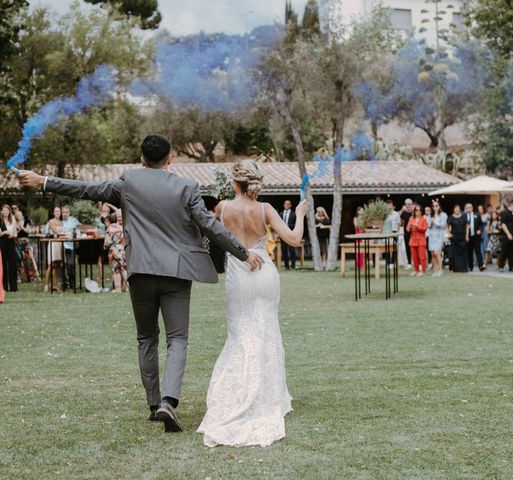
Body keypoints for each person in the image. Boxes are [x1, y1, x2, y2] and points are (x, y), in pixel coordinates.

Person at [17, 134, 263, 434]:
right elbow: (210, 226)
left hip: (140, 273)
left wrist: (42, 180)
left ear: (142, 158)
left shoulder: (127, 183)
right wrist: (243, 253)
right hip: (176, 274)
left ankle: (153, 403)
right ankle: (169, 402)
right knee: (178, 339)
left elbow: (84, 189)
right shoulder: (187, 188)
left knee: (146, 338)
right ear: (170, 159)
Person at [197, 160, 308, 448]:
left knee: (240, 334)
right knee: (267, 330)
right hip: (265, 275)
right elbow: (295, 239)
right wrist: (299, 214)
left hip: (240, 275)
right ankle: (269, 395)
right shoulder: (266, 210)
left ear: (234, 183)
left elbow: (209, 233)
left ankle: (237, 392)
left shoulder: (222, 208)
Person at [103, 213, 128, 292]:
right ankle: (128, 287)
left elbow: (107, 242)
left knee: (116, 270)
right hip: (123, 250)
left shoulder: (110, 228)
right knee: (123, 268)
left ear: (108, 221)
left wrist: (105, 246)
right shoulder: (123, 227)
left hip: (114, 251)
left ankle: (118, 288)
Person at [0, 204, 19, 292]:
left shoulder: (13, 219)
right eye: (4, 210)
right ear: (1, 211)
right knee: (3, 264)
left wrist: (13, 234)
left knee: (13, 264)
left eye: (7, 210)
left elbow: (15, 233)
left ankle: (13, 287)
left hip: (10, 242)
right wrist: (5, 232)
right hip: (2, 242)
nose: (6, 212)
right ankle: (4, 287)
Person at [44, 206, 64, 292]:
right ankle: (46, 284)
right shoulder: (51, 221)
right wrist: (65, 233)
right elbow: (56, 231)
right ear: (53, 213)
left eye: (59, 211)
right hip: (53, 243)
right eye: (56, 211)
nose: (57, 213)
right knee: (51, 264)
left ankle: (55, 285)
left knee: (58, 264)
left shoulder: (62, 222)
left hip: (60, 243)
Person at [61, 205, 80, 290]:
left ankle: (72, 283)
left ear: (69, 213)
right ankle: (64, 283)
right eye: (63, 212)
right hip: (59, 246)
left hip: (70, 246)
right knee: (61, 265)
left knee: (71, 264)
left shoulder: (73, 220)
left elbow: (80, 228)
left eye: (66, 212)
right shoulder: (58, 221)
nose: (64, 214)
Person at [407, 203, 428, 276]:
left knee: (422, 256)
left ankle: (422, 270)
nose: (418, 212)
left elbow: (424, 229)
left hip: (421, 239)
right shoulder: (411, 218)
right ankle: (416, 270)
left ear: (421, 211)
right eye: (416, 210)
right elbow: (407, 229)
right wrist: (410, 227)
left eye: (419, 210)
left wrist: (417, 226)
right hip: (413, 239)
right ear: (414, 211)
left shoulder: (424, 219)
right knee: (414, 257)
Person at [447, 204, 469, 273]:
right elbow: (446, 227)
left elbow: (467, 227)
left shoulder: (464, 216)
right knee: (453, 254)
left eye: (458, 208)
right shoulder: (450, 217)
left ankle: (463, 268)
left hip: (462, 237)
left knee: (463, 254)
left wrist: (467, 236)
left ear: (460, 209)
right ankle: (454, 268)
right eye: (455, 209)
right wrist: (449, 234)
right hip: (454, 238)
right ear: (453, 209)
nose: (457, 210)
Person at [428, 200, 447, 277]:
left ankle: (440, 270)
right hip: (432, 236)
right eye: (433, 206)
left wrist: (435, 222)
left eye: (436, 205)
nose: (435, 207)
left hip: (439, 236)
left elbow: (443, 225)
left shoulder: (443, 215)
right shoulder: (431, 215)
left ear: (439, 206)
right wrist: (430, 223)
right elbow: (428, 226)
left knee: (437, 252)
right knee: (433, 254)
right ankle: (436, 270)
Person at [498, 201, 513, 272]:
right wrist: (508, 234)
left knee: (512, 252)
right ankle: (501, 266)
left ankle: (511, 266)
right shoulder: (504, 213)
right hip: (506, 235)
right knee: (504, 251)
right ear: (512, 205)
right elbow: (503, 224)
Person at [465, 203, 485, 271]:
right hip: (468, 237)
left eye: (470, 207)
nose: (469, 209)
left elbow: (481, 225)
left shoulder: (477, 215)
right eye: (467, 207)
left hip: (476, 237)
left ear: (472, 208)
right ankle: (470, 266)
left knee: (478, 251)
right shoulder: (464, 215)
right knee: (469, 252)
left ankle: (481, 265)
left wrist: (480, 230)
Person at [279, 200, 297, 269]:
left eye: (288, 204)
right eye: (285, 204)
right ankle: (286, 265)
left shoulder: (294, 214)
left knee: (292, 250)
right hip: (283, 234)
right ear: (284, 205)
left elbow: (295, 225)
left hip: (291, 234)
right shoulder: (280, 214)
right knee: (284, 250)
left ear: (290, 205)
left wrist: (287, 226)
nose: (286, 205)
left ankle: (293, 265)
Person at [400, 198, 414, 267]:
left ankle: (416, 261)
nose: (408, 205)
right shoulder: (403, 213)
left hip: (415, 232)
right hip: (407, 232)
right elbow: (399, 220)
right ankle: (409, 262)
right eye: (406, 204)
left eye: (409, 204)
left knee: (415, 247)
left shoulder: (414, 212)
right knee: (408, 248)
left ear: (412, 204)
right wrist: (401, 210)